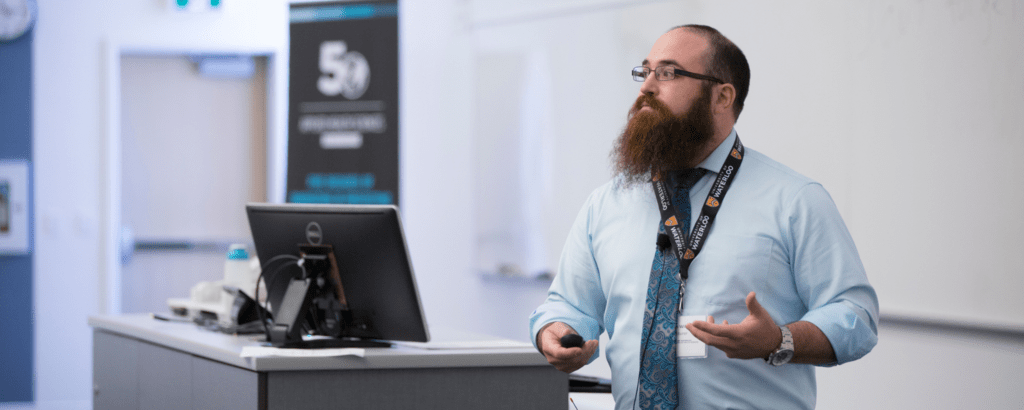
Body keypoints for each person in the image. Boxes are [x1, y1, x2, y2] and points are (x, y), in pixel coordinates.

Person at [529, 24, 878, 410]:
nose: (646, 87)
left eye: (668, 73)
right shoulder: (607, 203)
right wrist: (556, 331)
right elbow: (569, 305)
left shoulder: (795, 200)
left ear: (722, 96)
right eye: (645, 72)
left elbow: (856, 317)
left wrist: (779, 340)